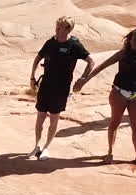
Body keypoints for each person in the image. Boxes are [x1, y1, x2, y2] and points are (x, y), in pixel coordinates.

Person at [74, 28, 136, 168]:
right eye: (131, 39)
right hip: (119, 93)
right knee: (115, 123)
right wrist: (84, 80)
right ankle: (110, 152)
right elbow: (102, 66)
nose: (133, 42)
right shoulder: (123, 53)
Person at [29, 16, 94, 160]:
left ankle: (46, 148)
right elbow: (37, 58)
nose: (57, 30)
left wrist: (82, 80)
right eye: (56, 27)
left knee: (53, 118)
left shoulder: (74, 45)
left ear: (68, 29)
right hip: (45, 85)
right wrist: (32, 77)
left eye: (60, 28)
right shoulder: (50, 42)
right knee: (40, 117)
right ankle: (37, 146)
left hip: (61, 88)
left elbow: (91, 61)